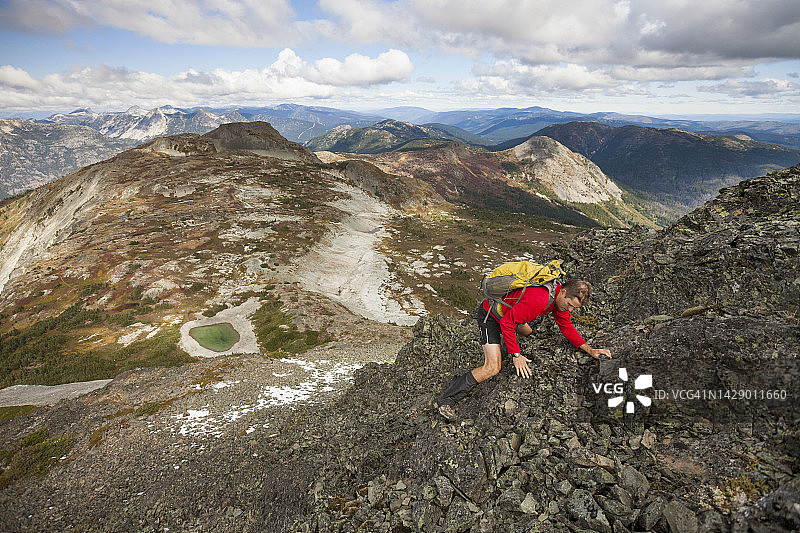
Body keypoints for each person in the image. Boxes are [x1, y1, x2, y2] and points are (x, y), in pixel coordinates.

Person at [435, 279, 611, 420]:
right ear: (564, 292)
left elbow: (566, 326)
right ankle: (445, 400)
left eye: (574, 307)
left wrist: (590, 350)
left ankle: (500, 350)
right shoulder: (540, 299)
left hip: (507, 314)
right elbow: (507, 323)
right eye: (570, 304)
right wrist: (516, 354)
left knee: (527, 331)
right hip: (491, 315)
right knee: (492, 368)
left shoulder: (556, 297)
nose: (570, 309)